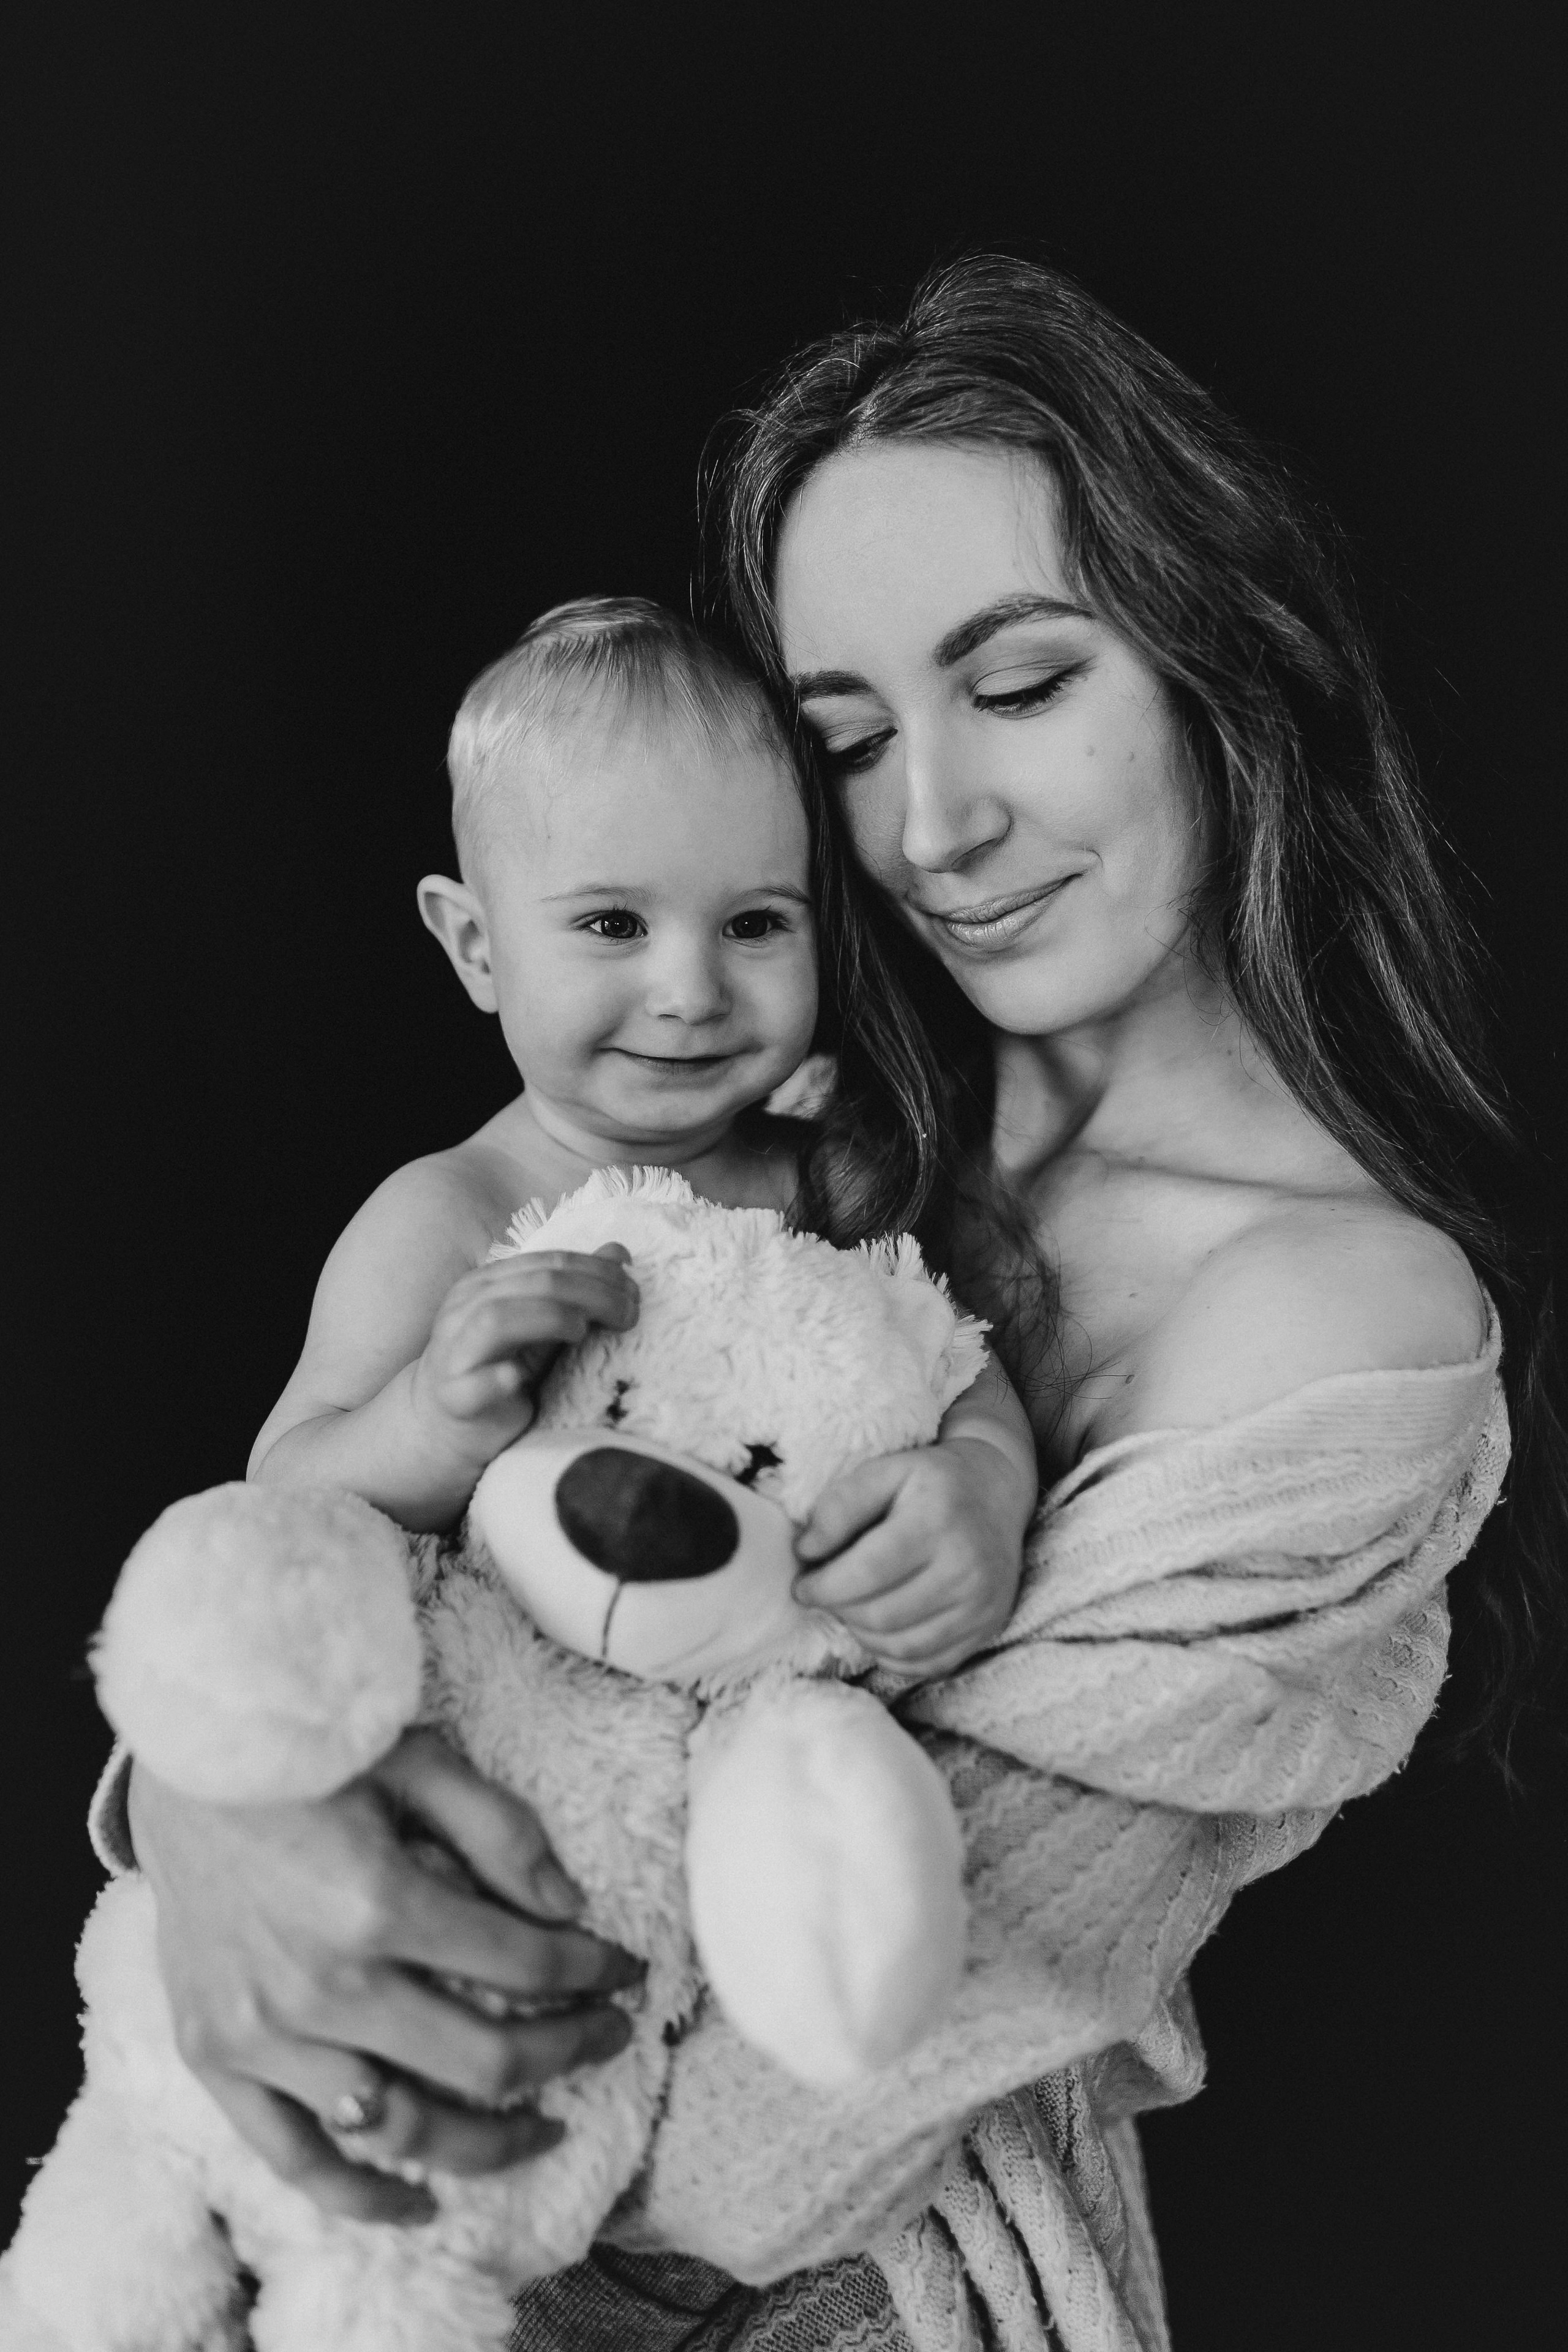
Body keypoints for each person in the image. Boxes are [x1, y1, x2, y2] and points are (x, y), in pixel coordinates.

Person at [110, 258, 1564, 2346]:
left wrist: (286, 1893)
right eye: (851, 741)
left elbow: (797, 2101)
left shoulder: (1338, 1315)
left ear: (1225, 658)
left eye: (1025, 684)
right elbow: (326, 1542)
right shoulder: (790, 1125)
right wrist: (205, 1804)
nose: (933, 827)